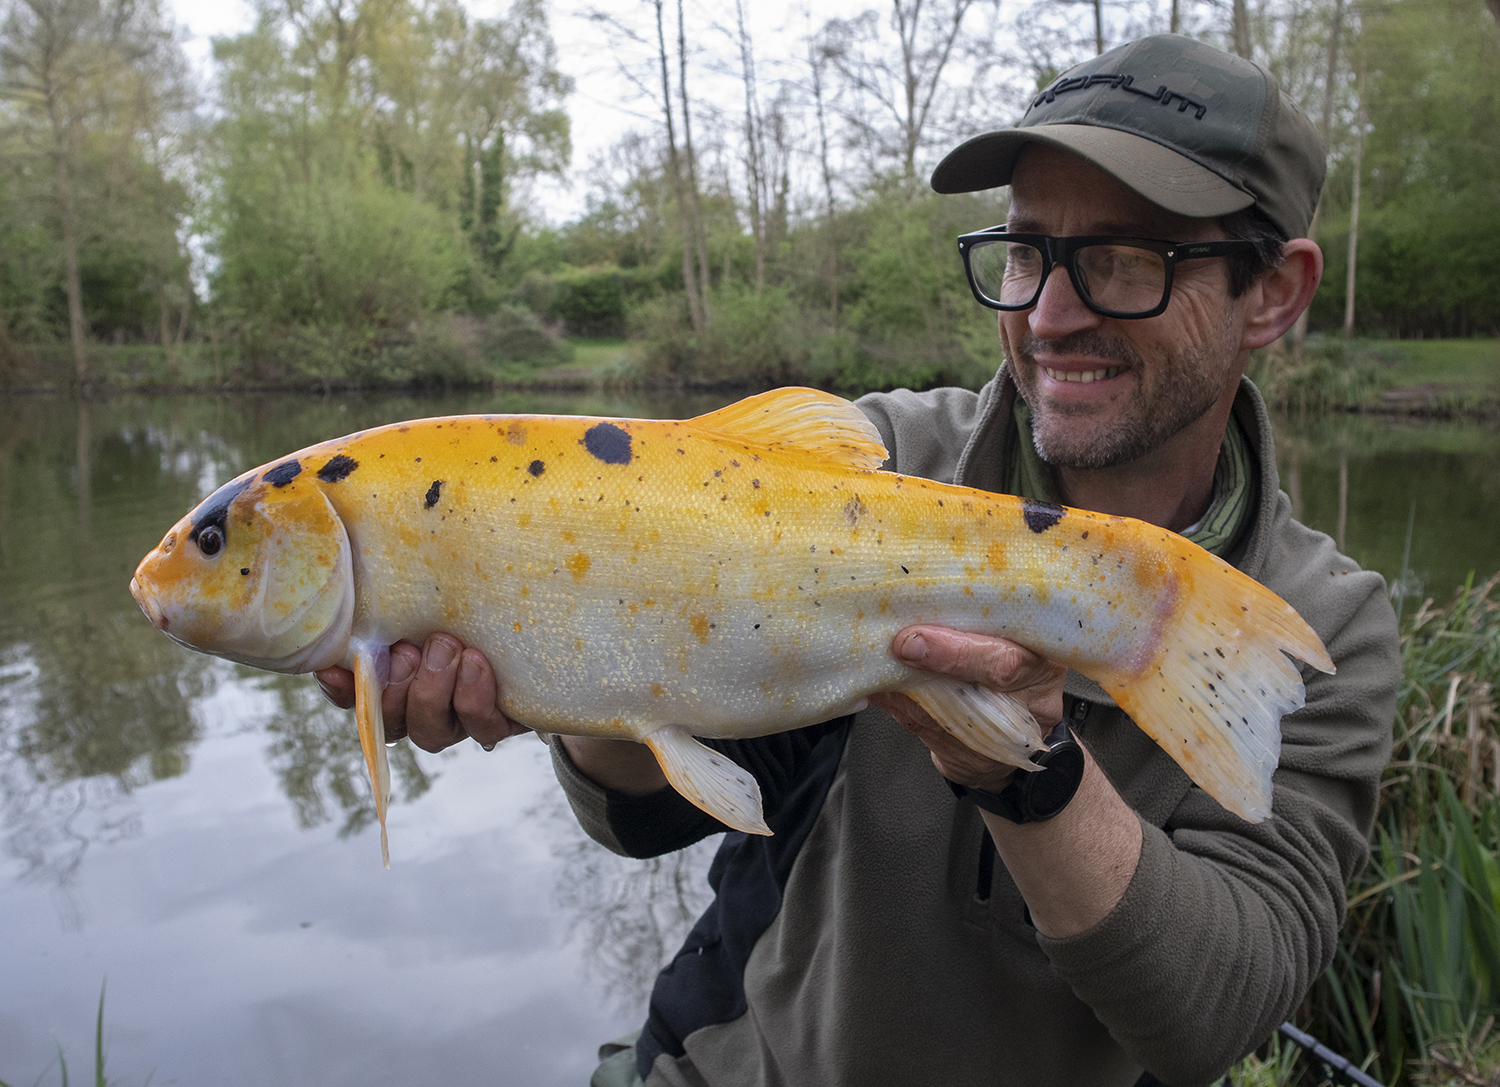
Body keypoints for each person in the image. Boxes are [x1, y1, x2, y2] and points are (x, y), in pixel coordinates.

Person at [316, 34, 1398, 1087]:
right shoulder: (872, 468)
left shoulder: (1323, 623)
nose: (1049, 314)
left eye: (1125, 262)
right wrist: (562, 675)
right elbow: (650, 816)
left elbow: (1214, 1017)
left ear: (1275, 292)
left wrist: (1025, 771)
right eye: (1027, 252)